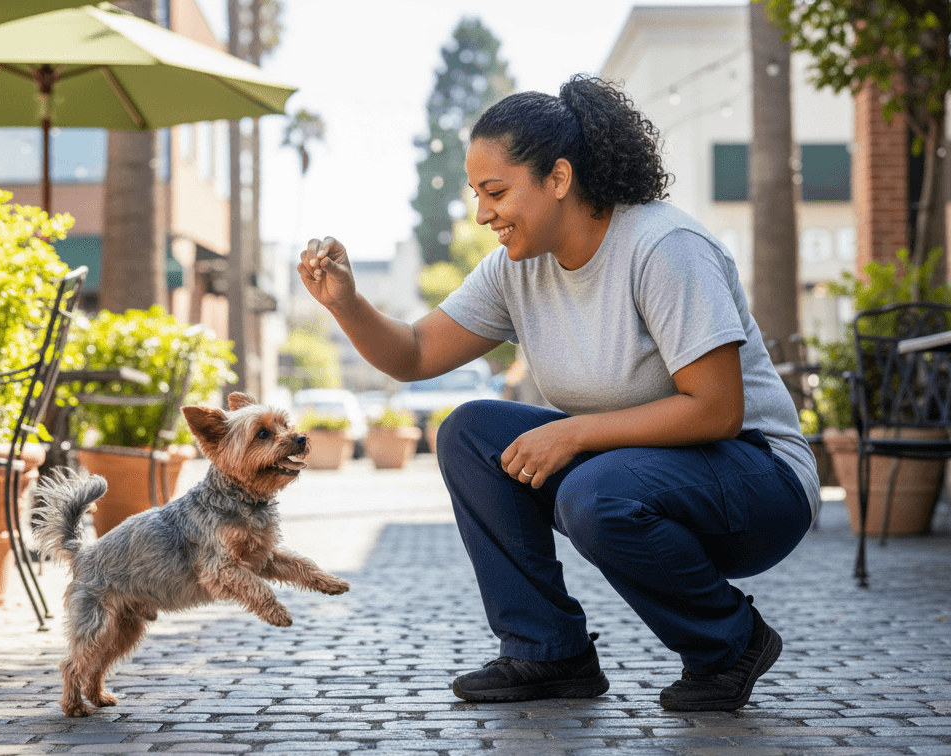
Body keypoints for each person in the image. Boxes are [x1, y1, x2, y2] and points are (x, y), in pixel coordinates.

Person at [296, 74, 818, 712]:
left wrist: (571, 432)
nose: (484, 213)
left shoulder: (663, 247)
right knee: (469, 434)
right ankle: (548, 653)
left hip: (758, 481)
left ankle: (728, 643)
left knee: (592, 492)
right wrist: (346, 304)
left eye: (496, 192)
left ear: (560, 178)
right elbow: (414, 352)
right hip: (644, 474)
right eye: (476, 196)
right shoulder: (518, 267)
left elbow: (717, 408)